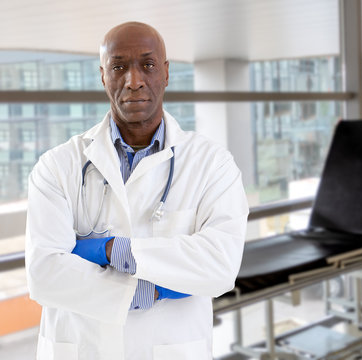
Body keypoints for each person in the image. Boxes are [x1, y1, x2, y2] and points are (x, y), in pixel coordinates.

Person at [25, 21, 248, 360]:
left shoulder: (213, 165)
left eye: (147, 64)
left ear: (166, 72)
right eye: (118, 66)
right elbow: (44, 274)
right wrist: (156, 286)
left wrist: (108, 250)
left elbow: (219, 267)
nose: (133, 80)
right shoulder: (57, 166)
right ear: (103, 75)